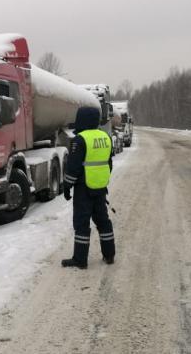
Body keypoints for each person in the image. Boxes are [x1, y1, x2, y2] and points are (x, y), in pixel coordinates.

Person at [61, 106, 115, 269]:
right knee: (103, 221)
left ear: (81, 119)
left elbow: (73, 167)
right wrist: (101, 180)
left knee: (82, 223)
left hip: (84, 189)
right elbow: (109, 163)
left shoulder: (80, 139)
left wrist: (67, 186)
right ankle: (109, 255)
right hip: (100, 187)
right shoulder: (105, 137)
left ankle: (80, 259)